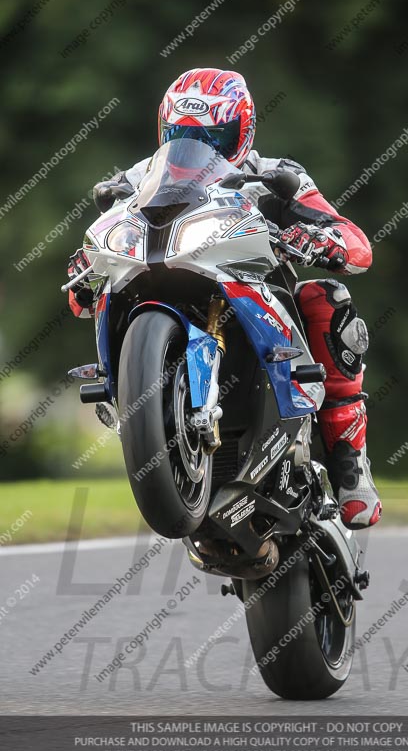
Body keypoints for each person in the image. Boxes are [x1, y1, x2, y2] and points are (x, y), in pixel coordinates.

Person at [67, 68, 382, 530]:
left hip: (255, 296)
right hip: (171, 274)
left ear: (243, 131)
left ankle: (350, 465)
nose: (197, 147)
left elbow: (357, 246)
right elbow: (82, 293)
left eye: (213, 136)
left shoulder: (276, 175)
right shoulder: (137, 181)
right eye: (182, 134)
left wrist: (317, 241)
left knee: (327, 298)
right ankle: (156, 414)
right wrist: (86, 270)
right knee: (108, 290)